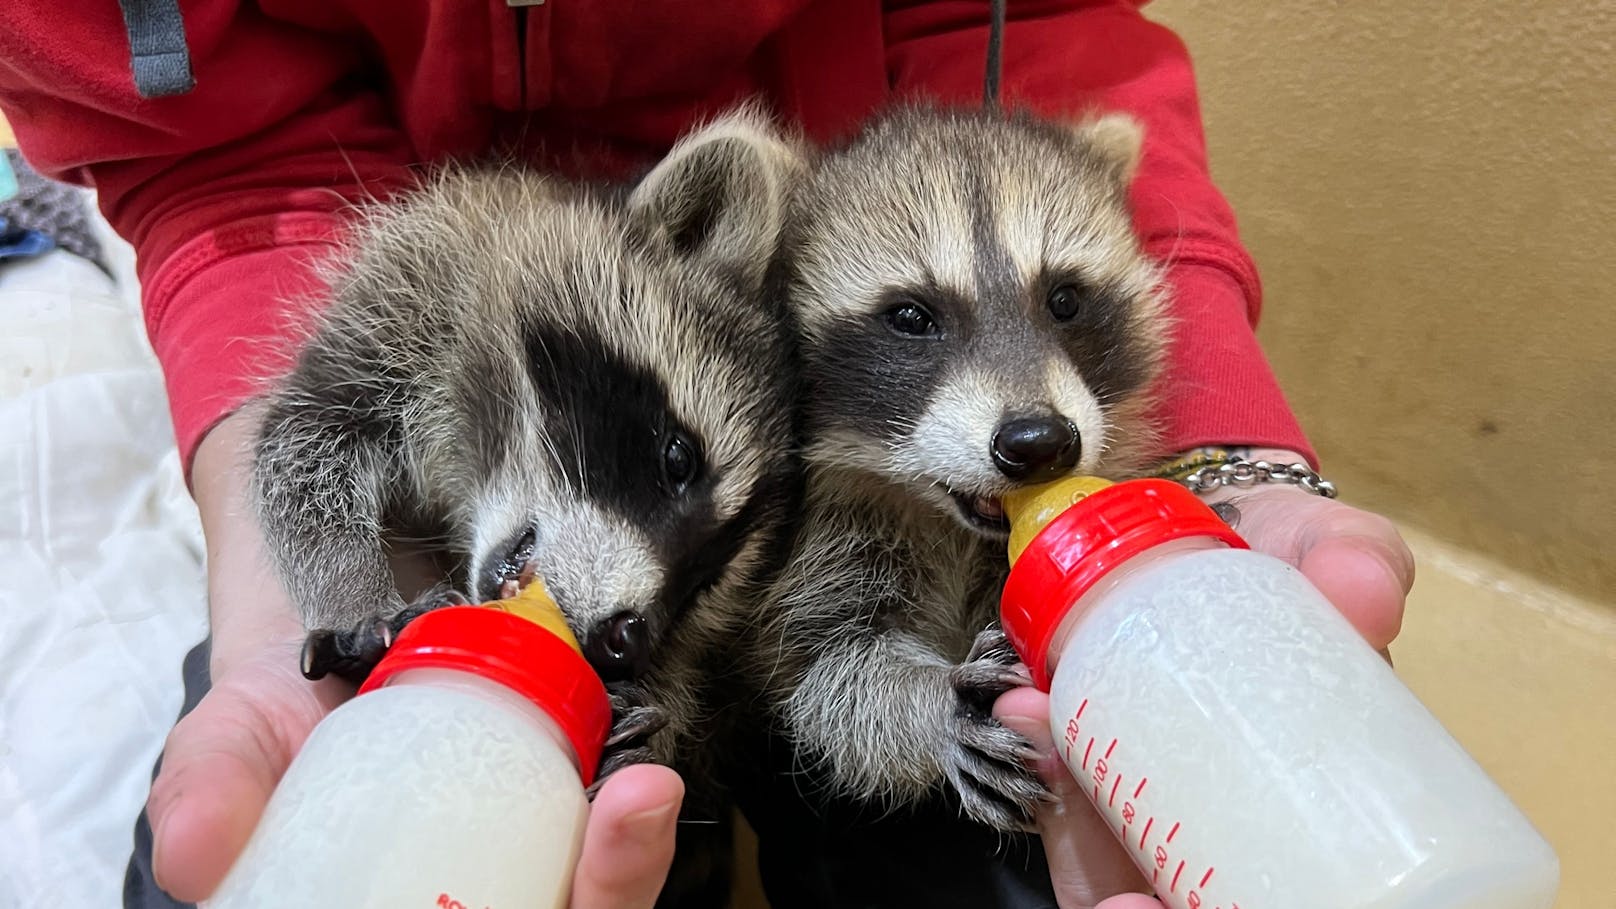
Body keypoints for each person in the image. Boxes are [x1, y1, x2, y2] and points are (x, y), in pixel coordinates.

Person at [0, 2, 1413, 907]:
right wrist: (303, 608)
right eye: (916, 322)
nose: (1027, 399)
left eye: (1061, 314)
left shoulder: (781, 418)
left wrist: (1237, 454)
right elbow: (227, 158)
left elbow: (1032, 35)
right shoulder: (554, 322)